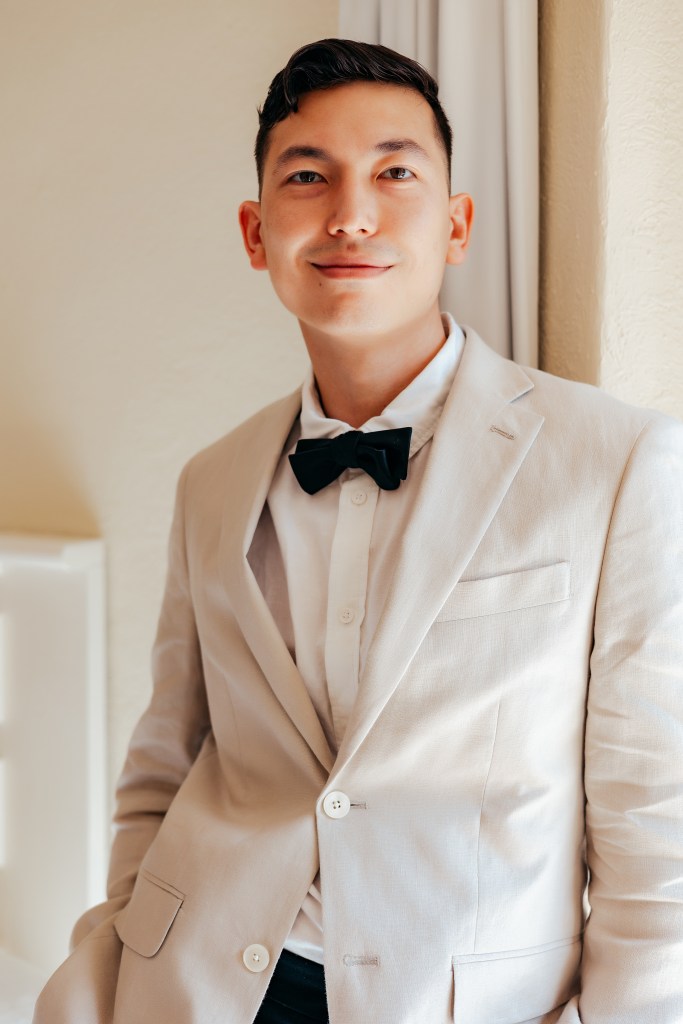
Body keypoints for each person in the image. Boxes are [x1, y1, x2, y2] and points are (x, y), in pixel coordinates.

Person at [34, 37, 683, 1024]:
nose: (349, 213)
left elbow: (652, 814)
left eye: (393, 172)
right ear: (255, 233)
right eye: (308, 176)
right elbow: (164, 761)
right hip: (197, 984)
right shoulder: (211, 480)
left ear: (456, 225)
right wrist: (118, 947)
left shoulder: (613, 458)